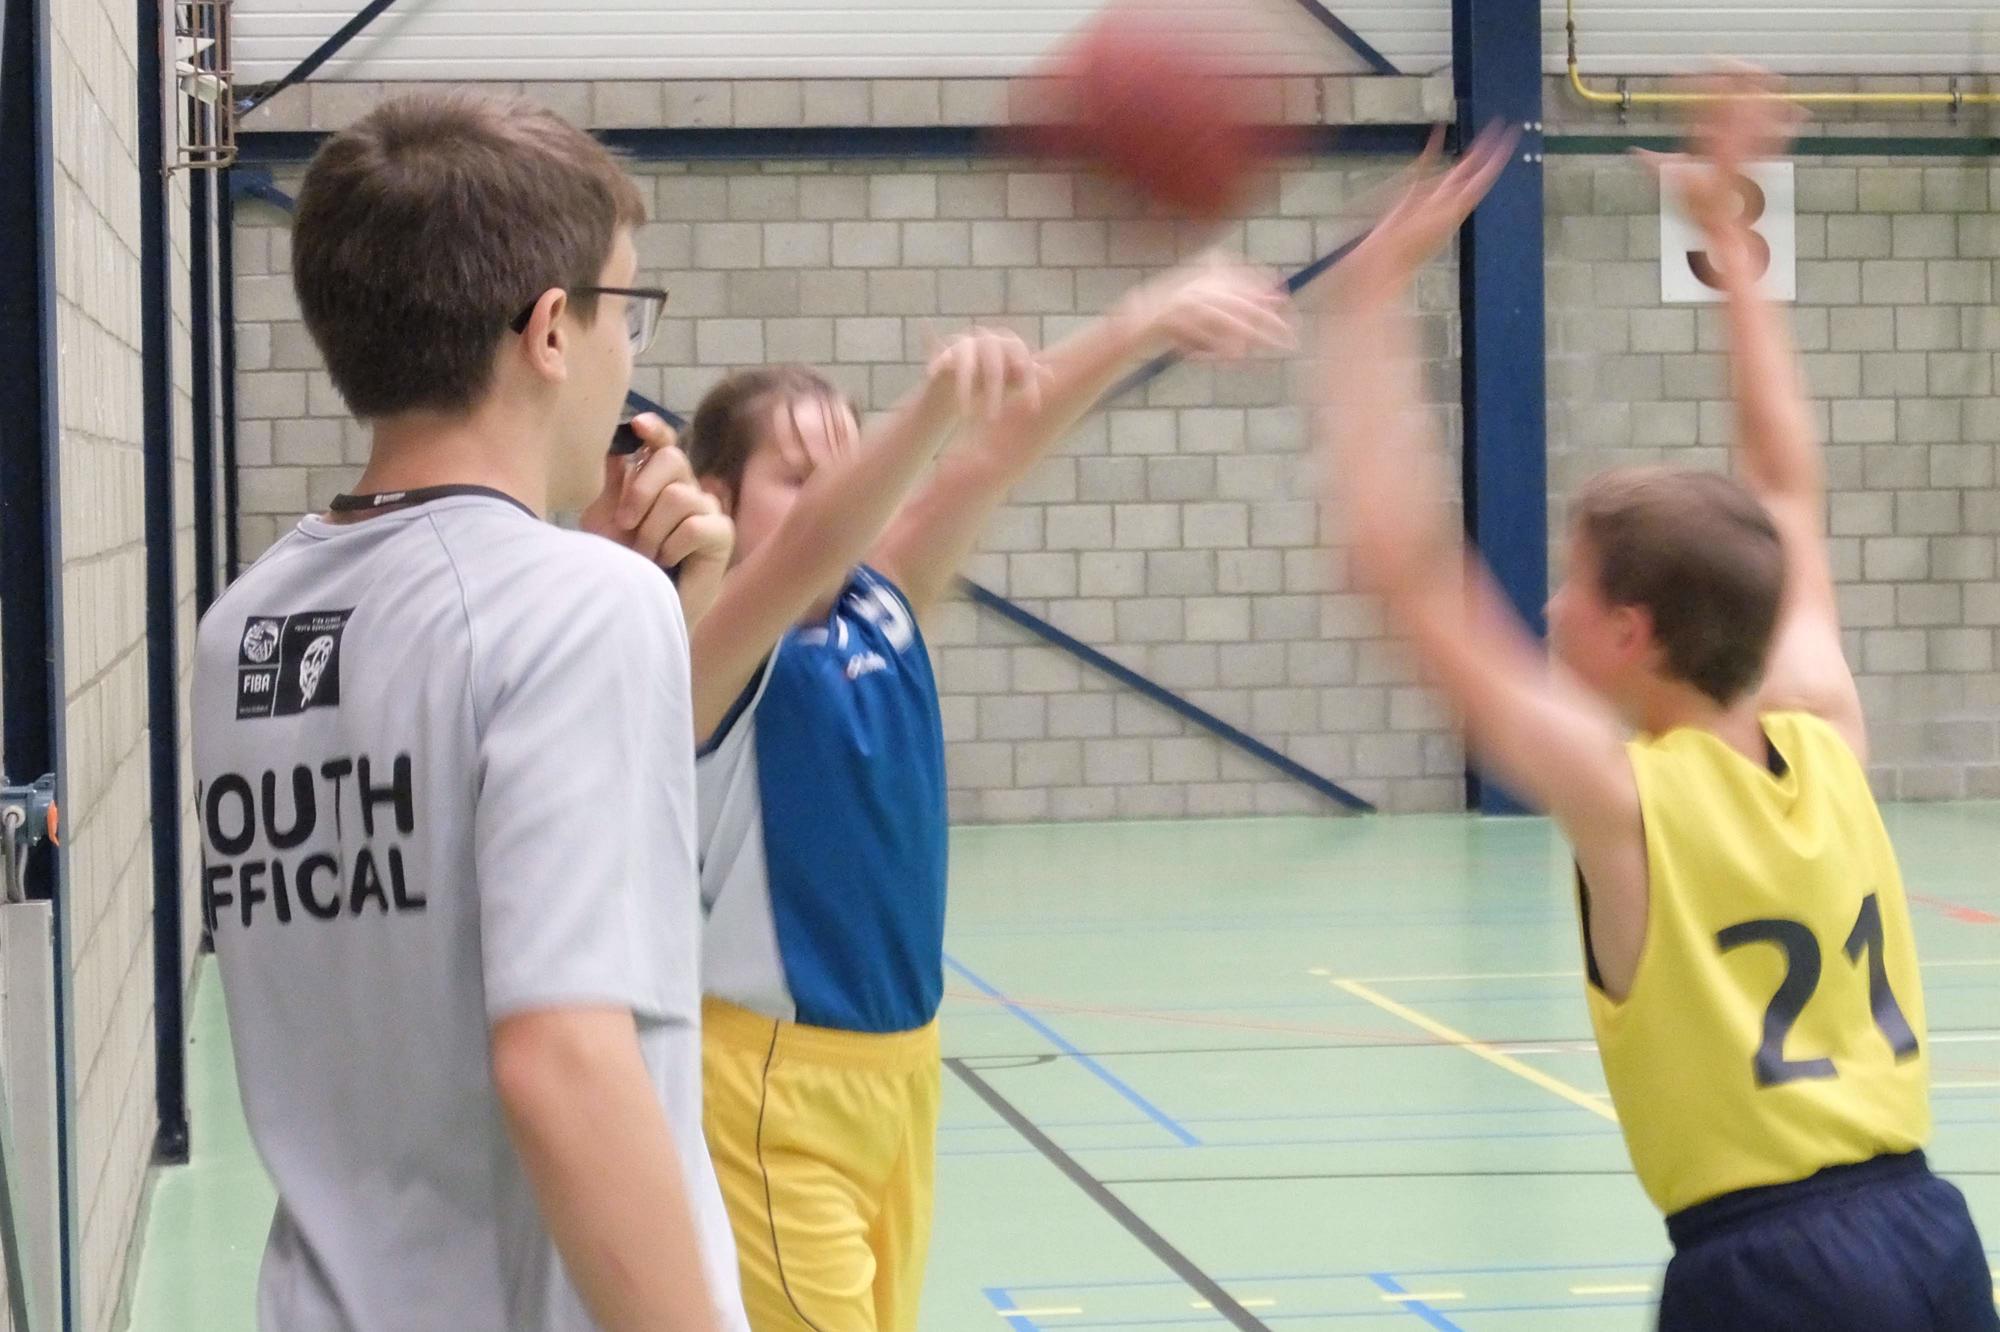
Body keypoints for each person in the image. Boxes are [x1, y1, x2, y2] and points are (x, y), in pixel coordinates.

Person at [1315, 85, 1997, 1331]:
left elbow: (1403, 573)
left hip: (1769, 1270)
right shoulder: (1824, 733)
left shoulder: (1622, 798)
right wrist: (1730, 253)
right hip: (1931, 1237)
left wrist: (1365, 300)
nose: (1546, 605)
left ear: (1630, 632)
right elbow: (1783, 480)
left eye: (1570, 583)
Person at [192, 91, 747, 1332]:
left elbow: (428, 886)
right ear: (549, 330)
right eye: (624, 309)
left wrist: (624, 600)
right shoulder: (576, 606)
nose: (628, 355)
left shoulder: (244, 628)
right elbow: (562, 1060)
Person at [655, 257, 1291, 1329]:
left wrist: (1139, 321)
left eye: (847, 473)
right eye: (802, 478)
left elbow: (994, 455)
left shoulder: (883, 600)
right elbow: (817, 541)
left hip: (903, 1075)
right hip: (764, 1087)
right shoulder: (707, 647)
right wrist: (929, 408)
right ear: (715, 502)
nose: (840, 501)